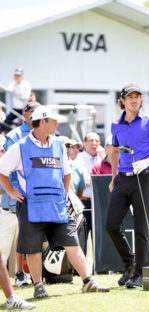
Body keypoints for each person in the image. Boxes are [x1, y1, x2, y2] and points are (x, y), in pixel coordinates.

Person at [0, 106, 109, 298]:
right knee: (33, 247)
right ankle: (38, 286)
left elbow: (66, 173)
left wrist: (64, 194)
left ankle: (87, 281)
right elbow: (2, 171)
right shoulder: (21, 146)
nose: (58, 124)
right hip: (30, 204)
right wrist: (10, 190)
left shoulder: (59, 144)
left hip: (57, 205)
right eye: (54, 120)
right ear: (42, 122)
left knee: (71, 242)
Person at [105, 84, 149, 288]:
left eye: (137, 97)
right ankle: (129, 263)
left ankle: (140, 274)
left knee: (141, 226)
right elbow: (115, 152)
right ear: (122, 101)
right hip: (123, 178)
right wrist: (114, 177)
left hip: (143, 176)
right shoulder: (116, 125)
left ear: (141, 100)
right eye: (130, 97)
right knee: (111, 225)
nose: (134, 100)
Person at [0, 101, 41, 287]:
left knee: (29, 234)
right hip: (17, 194)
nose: (35, 116)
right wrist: (14, 189)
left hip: (37, 193)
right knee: (14, 234)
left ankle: (27, 274)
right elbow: (8, 168)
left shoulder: (43, 133)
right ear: (24, 114)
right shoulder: (14, 135)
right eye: (32, 112)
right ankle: (17, 273)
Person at [77, 132, 102, 236]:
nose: (94, 143)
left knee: (98, 238)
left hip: (99, 203)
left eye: (97, 141)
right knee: (82, 237)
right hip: (83, 202)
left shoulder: (103, 159)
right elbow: (83, 181)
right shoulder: (79, 158)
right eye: (91, 140)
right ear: (84, 143)